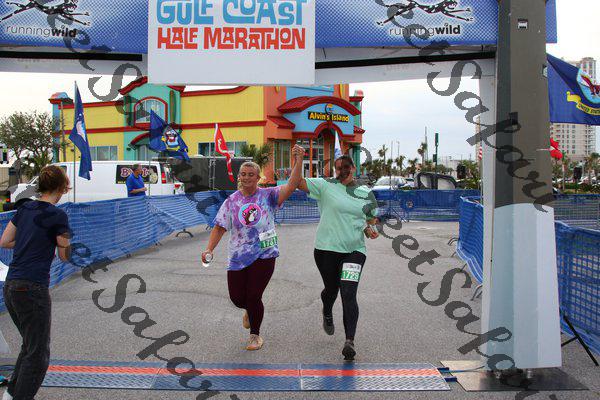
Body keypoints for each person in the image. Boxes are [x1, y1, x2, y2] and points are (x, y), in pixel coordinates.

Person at [202, 145, 305, 351]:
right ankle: (249, 310)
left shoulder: (268, 195)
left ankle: (255, 335)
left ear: (258, 177)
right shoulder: (232, 201)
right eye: (243, 174)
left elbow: (292, 185)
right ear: (239, 177)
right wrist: (209, 249)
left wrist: (299, 159)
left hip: (265, 253)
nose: (247, 177)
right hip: (238, 256)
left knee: (254, 296)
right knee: (237, 298)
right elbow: (220, 227)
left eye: (251, 174)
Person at [0, 165, 72, 400]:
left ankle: (11, 394)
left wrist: (29, 242)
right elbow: (64, 254)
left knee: (29, 346)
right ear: (62, 188)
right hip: (33, 287)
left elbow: (5, 241)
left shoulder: (24, 208)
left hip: (11, 285)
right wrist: (63, 242)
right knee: (38, 355)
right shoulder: (58, 215)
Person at [298, 155, 379, 361]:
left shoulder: (366, 193)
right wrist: (299, 159)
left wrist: (370, 229)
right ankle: (327, 309)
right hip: (326, 249)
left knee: (348, 293)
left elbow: (371, 220)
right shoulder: (326, 186)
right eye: (337, 168)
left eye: (345, 168)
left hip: (354, 250)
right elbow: (297, 182)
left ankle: (349, 341)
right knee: (331, 290)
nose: (341, 172)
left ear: (353, 169)